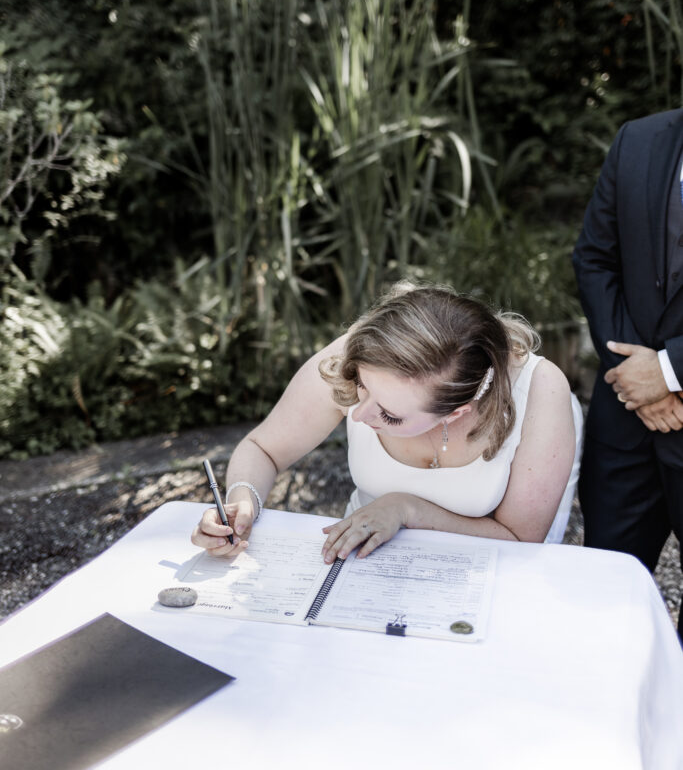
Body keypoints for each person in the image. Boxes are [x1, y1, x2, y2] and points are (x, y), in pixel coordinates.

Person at [192, 284, 579, 564]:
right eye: (361, 386)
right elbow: (263, 449)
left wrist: (406, 509)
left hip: (485, 573)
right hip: (363, 561)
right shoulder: (358, 355)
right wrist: (242, 503)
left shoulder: (539, 391)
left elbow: (521, 539)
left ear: (456, 412)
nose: (359, 415)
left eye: (391, 415)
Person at [573, 108, 683, 642]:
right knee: (604, 596)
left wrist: (670, 370)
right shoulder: (636, 140)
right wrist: (634, 378)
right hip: (624, 424)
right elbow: (595, 259)